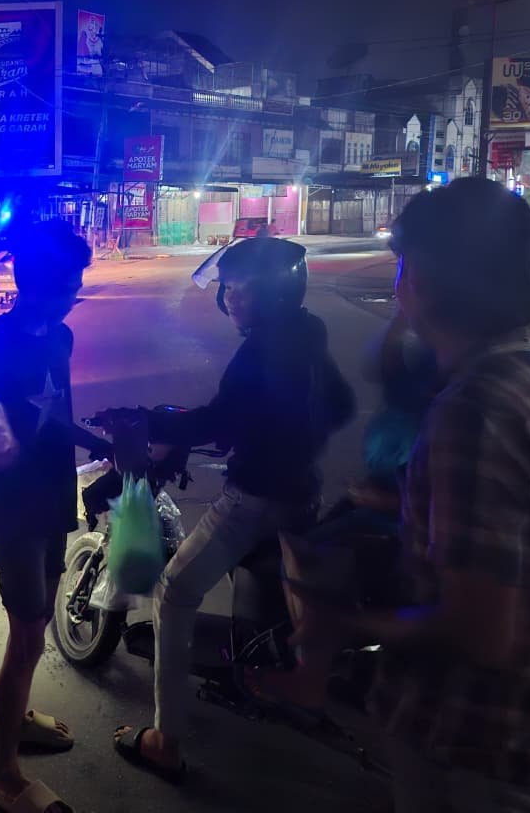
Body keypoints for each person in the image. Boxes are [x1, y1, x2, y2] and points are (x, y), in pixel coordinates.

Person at [293, 178, 530, 813]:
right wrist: (405, 506)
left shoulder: (472, 410)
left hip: (471, 750)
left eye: (403, 267)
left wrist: (345, 625)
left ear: (418, 279)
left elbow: (480, 632)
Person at [101, 237, 355, 780]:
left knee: (173, 592)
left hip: (256, 498)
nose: (230, 298)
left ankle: (165, 739)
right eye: (227, 288)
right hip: (303, 491)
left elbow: (218, 420)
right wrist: (288, 436)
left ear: (272, 293)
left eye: (240, 289)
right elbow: (340, 405)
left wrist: (145, 418)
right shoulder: (308, 332)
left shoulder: (261, 351)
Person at [0, 218, 101, 813]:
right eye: (70, 283)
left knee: (36, 624)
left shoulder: (62, 338)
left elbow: (55, 417)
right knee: (28, 632)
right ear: (40, 284)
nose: (75, 294)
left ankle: (12, 714)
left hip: (55, 492)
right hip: (11, 503)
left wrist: (102, 443)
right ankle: (3, 771)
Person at [254, 311, 439, 716]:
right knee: (292, 539)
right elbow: (383, 363)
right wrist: (406, 307)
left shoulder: (445, 417)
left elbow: (443, 505)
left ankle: (310, 674)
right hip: (371, 500)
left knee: (301, 559)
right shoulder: (408, 393)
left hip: (396, 519)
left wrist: (380, 499)